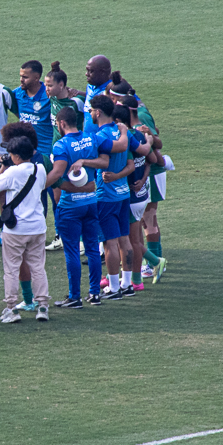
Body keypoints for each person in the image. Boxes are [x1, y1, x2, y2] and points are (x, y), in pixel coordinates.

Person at [45, 107, 110, 308]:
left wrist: (37, 185)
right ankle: (94, 294)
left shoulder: (61, 145)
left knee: (72, 251)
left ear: (62, 123)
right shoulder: (91, 138)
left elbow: (57, 174)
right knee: (92, 248)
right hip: (90, 201)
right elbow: (105, 160)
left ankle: (75, 297)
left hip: (70, 206)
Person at [96, 101, 153, 299]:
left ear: (97, 112)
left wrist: (83, 161)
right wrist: (149, 140)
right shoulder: (125, 133)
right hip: (124, 194)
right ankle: (127, 284)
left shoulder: (100, 136)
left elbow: (106, 157)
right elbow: (136, 158)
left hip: (107, 196)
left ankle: (114, 288)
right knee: (124, 239)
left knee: (109, 243)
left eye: (91, 111)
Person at [0, 136, 50, 323]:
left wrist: (3, 166)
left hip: (16, 229)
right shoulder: (40, 169)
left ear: (16, 156)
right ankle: (43, 306)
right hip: (37, 227)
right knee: (38, 267)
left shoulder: (12, 172)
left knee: (11, 269)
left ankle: (11, 308)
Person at [44, 62, 84, 251]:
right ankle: (61, 235)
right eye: (45, 84)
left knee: (77, 194)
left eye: (49, 85)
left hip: (73, 153)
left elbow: (95, 105)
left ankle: (81, 238)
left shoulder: (76, 102)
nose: (46, 88)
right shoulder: (51, 98)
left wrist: (81, 92)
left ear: (61, 85)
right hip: (56, 153)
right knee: (58, 197)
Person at [121, 96, 157, 292]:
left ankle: (136, 279)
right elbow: (152, 159)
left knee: (130, 240)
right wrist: (143, 179)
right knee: (132, 239)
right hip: (141, 194)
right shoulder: (139, 135)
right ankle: (135, 275)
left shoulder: (127, 139)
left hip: (131, 196)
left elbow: (143, 158)